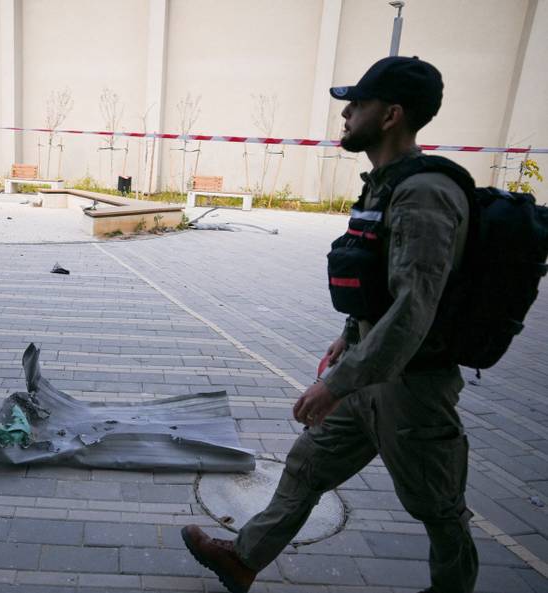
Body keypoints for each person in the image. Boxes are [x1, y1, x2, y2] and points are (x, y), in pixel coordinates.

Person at [181, 56, 478, 593]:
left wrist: (335, 384)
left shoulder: (425, 194)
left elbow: (414, 308)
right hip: (369, 375)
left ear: (390, 116)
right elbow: (380, 281)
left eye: (357, 104)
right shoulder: (387, 184)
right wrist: (349, 335)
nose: (345, 114)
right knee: (307, 464)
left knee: (438, 507)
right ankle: (244, 560)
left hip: (413, 389)